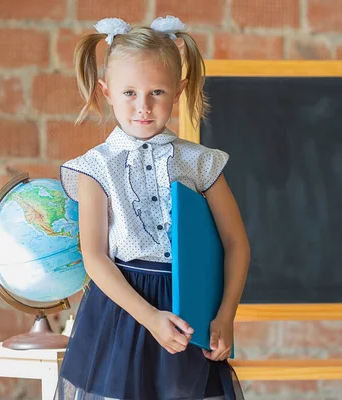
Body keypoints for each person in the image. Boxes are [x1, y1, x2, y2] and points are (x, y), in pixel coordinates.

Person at [55, 15, 250, 400]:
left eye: (156, 92)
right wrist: (148, 318)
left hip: (187, 312)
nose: (143, 106)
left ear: (178, 91)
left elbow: (236, 243)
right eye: (129, 93)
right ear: (107, 91)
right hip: (121, 314)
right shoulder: (95, 166)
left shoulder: (201, 162)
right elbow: (94, 257)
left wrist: (225, 316)